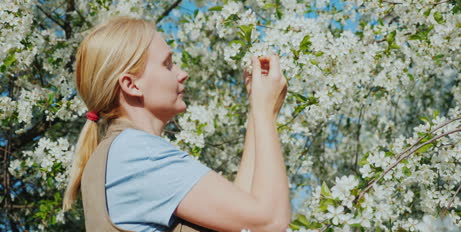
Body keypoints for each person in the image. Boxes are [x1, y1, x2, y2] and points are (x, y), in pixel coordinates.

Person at [62, 16, 290, 232]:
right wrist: (263, 109)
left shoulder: (123, 153)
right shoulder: (139, 154)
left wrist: (260, 111)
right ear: (131, 85)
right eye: (167, 64)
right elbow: (270, 222)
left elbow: (246, 217)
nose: (182, 74)